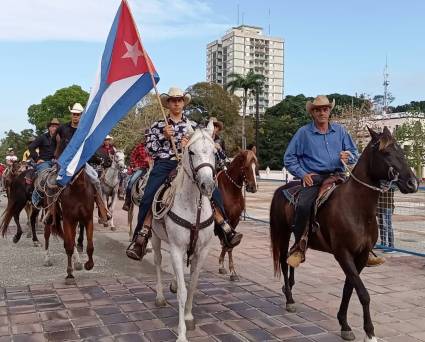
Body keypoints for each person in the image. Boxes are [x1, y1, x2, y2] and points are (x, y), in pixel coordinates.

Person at [126, 87, 242, 261]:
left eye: (179, 100)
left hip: (188, 165)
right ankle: (141, 236)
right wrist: (164, 137)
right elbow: (150, 149)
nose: (177, 103)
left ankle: (224, 227)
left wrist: (189, 144)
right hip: (166, 164)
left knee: (213, 191)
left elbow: (201, 147)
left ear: (183, 103)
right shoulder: (158, 125)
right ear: (168, 104)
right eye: (173, 100)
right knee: (149, 194)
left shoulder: (193, 126)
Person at [283, 95, 385, 267]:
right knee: (303, 205)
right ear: (312, 113)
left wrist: (349, 156)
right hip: (314, 178)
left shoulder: (340, 131)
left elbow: (354, 153)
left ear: (329, 111)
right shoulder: (303, 133)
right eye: (318, 110)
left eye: (325, 109)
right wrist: (302, 174)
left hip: (338, 175)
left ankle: (365, 248)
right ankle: (299, 247)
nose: (322, 113)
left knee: (359, 204)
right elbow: (289, 158)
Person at [55, 102, 110, 222]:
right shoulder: (62, 128)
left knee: (95, 180)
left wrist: (97, 158)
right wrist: (55, 156)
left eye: (78, 114)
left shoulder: (86, 130)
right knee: (54, 182)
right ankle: (52, 210)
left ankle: (102, 208)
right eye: (74, 114)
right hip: (65, 163)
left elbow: (90, 147)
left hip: (81, 163)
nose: (76, 116)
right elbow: (55, 142)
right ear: (71, 115)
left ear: (81, 116)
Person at [29, 118, 60, 206]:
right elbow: (31, 147)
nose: (55, 128)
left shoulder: (60, 138)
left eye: (56, 127)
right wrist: (37, 159)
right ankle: (36, 197)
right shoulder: (42, 137)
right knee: (44, 178)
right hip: (44, 162)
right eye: (53, 126)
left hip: (57, 162)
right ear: (49, 128)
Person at [122, 135, 151, 211]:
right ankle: (127, 202)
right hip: (141, 168)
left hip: (152, 168)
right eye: (146, 137)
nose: (147, 138)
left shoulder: (154, 146)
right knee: (131, 182)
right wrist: (136, 165)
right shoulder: (139, 147)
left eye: (149, 137)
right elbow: (132, 156)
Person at [377, 184, 396, 251]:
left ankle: (391, 246)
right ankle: (383, 243)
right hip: (379, 206)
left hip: (388, 206)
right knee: (382, 226)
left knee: (388, 226)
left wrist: (387, 187)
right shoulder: (379, 180)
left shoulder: (392, 181)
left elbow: (395, 186)